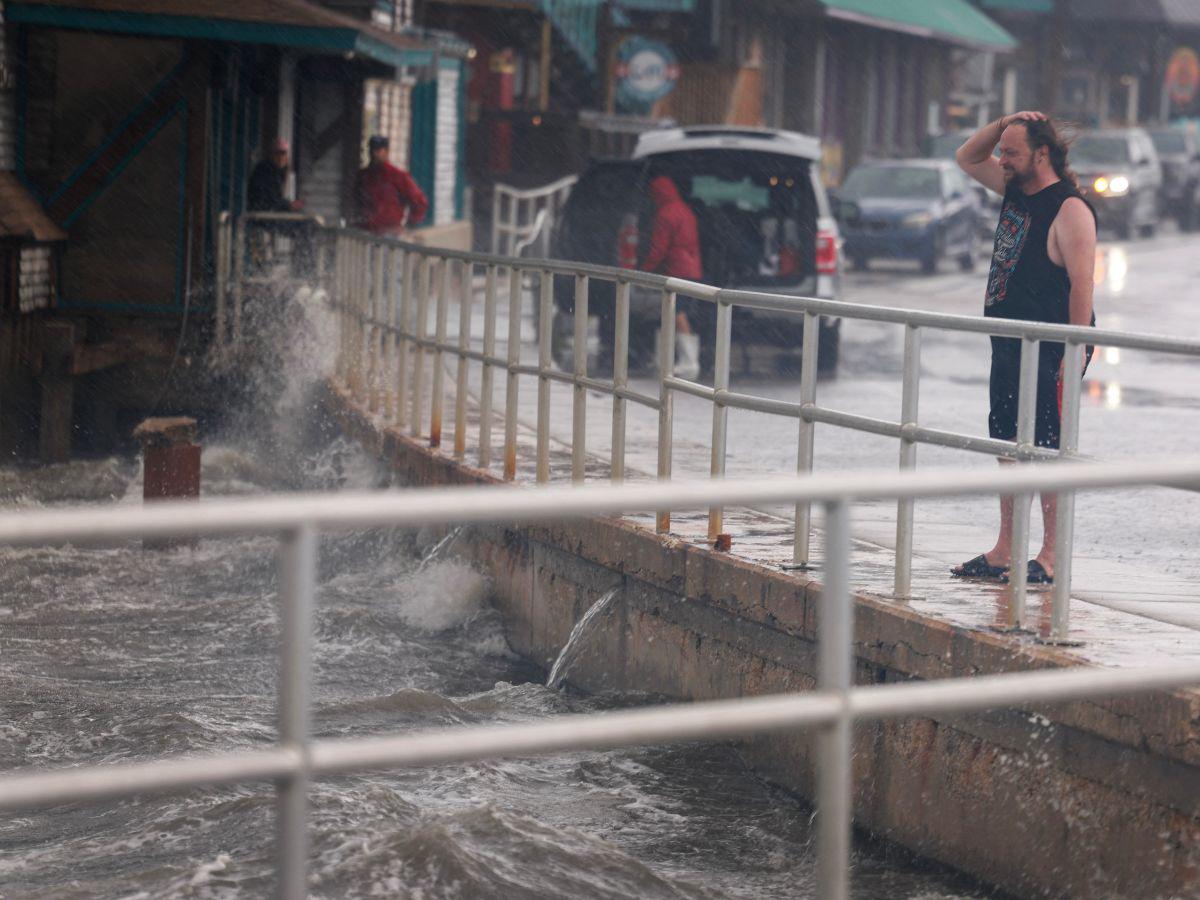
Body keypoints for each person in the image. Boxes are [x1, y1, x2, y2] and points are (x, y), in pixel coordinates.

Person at [952, 111, 1097, 586]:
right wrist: (1002, 124)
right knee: (1008, 440)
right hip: (1010, 338)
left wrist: (1074, 350)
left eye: (1013, 152)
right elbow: (967, 156)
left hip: (1054, 342)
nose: (1003, 159)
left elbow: (1082, 286)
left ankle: (1052, 554)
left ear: (1041, 154)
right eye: (1004, 151)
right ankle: (1006, 549)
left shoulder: (1069, 208)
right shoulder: (1016, 189)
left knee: (1048, 444)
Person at [640, 175, 703, 378]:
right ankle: (672, 359)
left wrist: (646, 269)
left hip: (677, 269)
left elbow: (659, 247)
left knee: (677, 312)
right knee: (674, 311)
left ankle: (688, 362)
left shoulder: (666, 214)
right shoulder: (684, 210)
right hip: (692, 267)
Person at [353, 135, 428, 236]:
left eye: (378, 150)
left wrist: (409, 225)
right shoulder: (363, 176)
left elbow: (419, 202)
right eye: (371, 150)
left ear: (387, 152)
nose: (374, 154)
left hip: (389, 234)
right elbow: (355, 200)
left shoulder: (398, 176)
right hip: (364, 232)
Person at [247, 138, 303, 213]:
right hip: (260, 215)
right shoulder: (265, 171)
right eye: (277, 153)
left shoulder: (281, 171)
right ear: (272, 154)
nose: (280, 157)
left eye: (283, 153)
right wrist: (289, 205)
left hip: (270, 213)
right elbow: (269, 199)